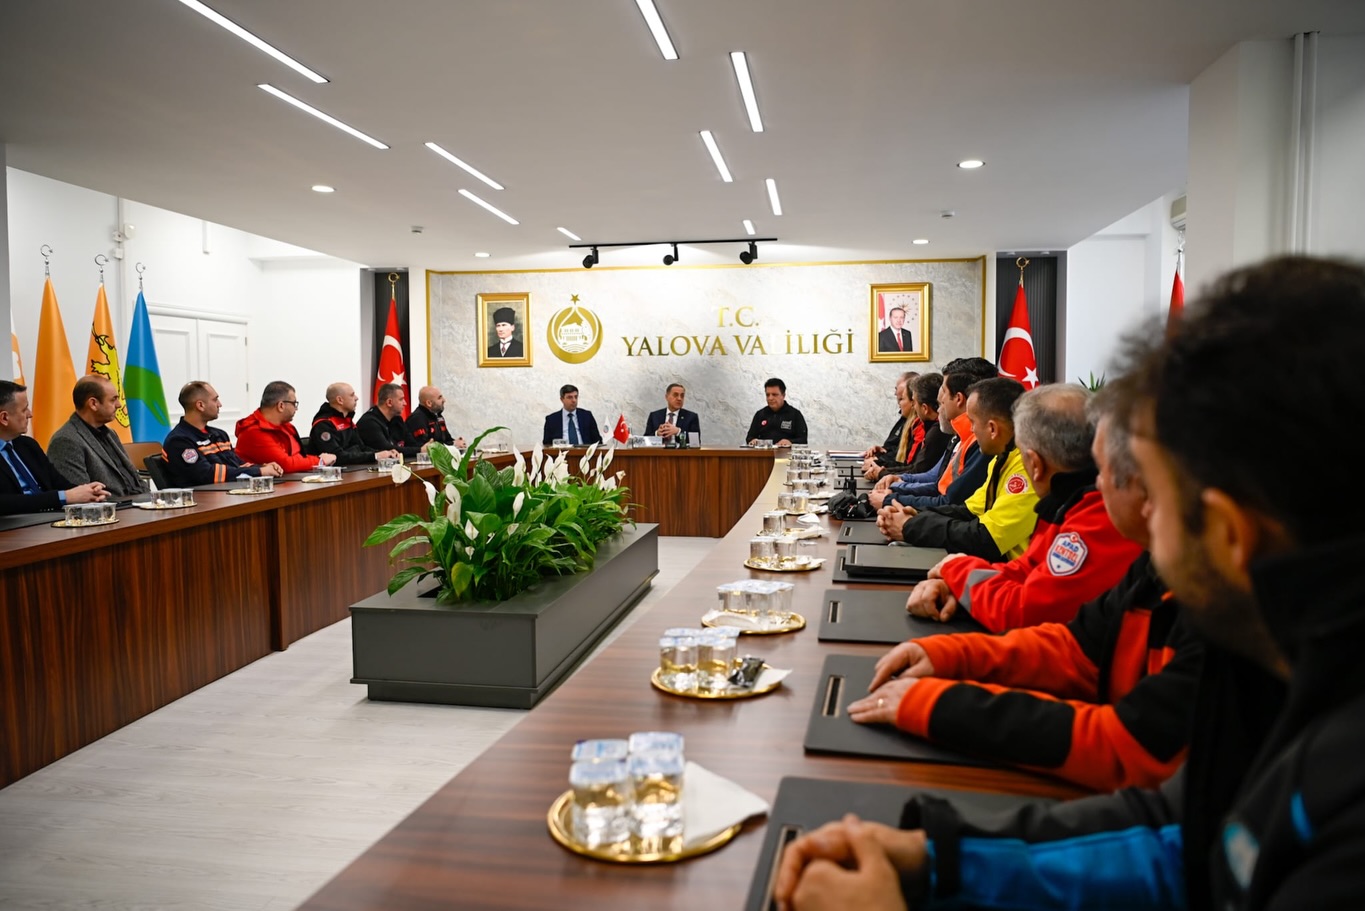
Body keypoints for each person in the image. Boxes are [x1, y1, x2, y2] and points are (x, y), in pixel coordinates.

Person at [773, 255, 1365, 911]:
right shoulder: (1268, 653)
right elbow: (1173, 837)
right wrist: (936, 857)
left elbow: (1138, 767)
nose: (1132, 513)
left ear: (1228, 534)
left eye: (1155, 494)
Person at [847, 385, 1200, 792]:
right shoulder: (1153, 566)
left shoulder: (1213, 611)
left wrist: (937, 704)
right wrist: (948, 654)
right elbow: (1076, 648)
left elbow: (1128, 749)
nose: (1099, 486)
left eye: (1107, 472)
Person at [900, 383, 1142, 632]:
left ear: (1035, 464)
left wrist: (956, 568)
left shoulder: (1094, 519)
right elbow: (1028, 569)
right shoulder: (1062, 503)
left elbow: (1024, 610)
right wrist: (960, 589)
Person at [878, 377, 1038, 560]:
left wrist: (912, 526)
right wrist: (912, 516)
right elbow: (968, 511)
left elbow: (986, 539)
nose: (972, 430)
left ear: (992, 429)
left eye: (973, 422)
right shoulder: (1002, 458)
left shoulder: (1026, 469)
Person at [868, 358, 995, 511]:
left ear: (958, 399)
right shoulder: (959, 436)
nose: (940, 405)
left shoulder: (982, 443)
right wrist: (897, 485)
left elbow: (950, 502)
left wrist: (892, 498)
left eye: (943, 396)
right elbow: (937, 482)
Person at [0, 380, 108, 515]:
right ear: (4, 418)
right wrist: (63, 497)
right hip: (17, 524)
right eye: (24, 409)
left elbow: (59, 483)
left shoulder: (27, 445)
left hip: (50, 518)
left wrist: (89, 493)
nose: (30, 414)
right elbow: (4, 503)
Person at [162, 381, 282, 486]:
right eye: (215, 400)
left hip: (228, 495)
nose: (220, 404)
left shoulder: (219, 435)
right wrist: (260, 472)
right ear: (200, 405)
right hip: (202, 501)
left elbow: (237, 466)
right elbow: (207, 475)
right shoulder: (179, 441)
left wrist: (263, 467)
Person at [47, 374, 145, 496]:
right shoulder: (65, 441)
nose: (119, 405)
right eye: (113, 399)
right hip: (113, 506)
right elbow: (82, 496)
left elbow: (135, 480)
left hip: (138, 501)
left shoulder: (110, 433)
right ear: (93, 404)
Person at [235, 381, 336, 473]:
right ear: (281, 406)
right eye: (294, 404)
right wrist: (320, 461)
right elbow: (286, 464)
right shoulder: (254, 432)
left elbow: (298, 457)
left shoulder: (286, 427)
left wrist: (316, 460)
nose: (296, 409)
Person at [308, 382, 398, 465]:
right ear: (340, 400)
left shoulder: (347, 420)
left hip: (352, 469)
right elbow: (337, 457)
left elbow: (361, 448)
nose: (356, 398)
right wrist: (374, 456)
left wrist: (385, 453)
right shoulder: (323, 425)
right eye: (352, 395)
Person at [862, 372, 919, 472]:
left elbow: (912, 467)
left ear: (913, 402)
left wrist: (877, 463)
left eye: (902, 399)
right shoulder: (907, 420)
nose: (899, 403)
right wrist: (882, 452)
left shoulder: (920, 427)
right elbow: (894, 449)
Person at [358, 383, 426, 458]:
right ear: (389, 402)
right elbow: (387, 449)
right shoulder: (369, 422)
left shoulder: (397, 419)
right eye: (401, 399)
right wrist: (420, 450)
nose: (405, 403)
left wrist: (425, 448)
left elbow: (411, 443)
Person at [746, 377, 808, 446]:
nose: (770, 398)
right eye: (767, 395)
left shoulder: (795, 414)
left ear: (783, 395)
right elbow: (749, 438)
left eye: (774, 395)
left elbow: (803, 440)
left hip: (786, 452)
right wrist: (753, 440)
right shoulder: (760, 414)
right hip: (764, 452)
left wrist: (790, 442)